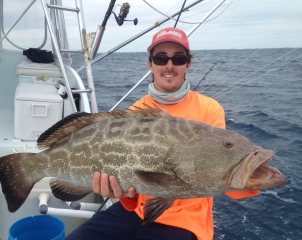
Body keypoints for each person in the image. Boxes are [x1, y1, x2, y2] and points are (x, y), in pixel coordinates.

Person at [65, 27, 260, 240]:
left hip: (186, 219)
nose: (169, 65)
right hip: (136, 213)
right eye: (160, 58)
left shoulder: (209, 109)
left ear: (188, 64)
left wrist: (250, 177)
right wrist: (121, 194)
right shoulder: (135, 113)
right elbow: (133, 188)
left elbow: (219, 170)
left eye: (178, 58)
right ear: (150, 64)